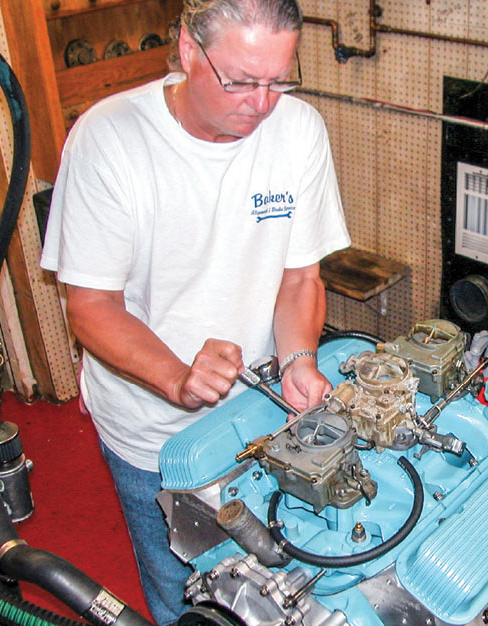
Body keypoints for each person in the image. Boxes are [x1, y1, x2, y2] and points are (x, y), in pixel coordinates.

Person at [39, 1, 350, 623]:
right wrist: (176, 377)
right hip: (152, 429)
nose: (261, 103)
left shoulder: (298, 130)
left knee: (276, 576)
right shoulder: (109, 140)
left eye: (277, 80)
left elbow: (300, 277)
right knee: (185, 590)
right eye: (239, 80)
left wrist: (298, 358)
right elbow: (91, 306)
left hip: (261, 415)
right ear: (187, 50)